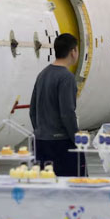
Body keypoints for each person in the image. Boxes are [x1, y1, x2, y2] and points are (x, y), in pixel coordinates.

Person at [30, 33, 83, 176]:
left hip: (41, 142)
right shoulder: (66, 77)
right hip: (61, 144)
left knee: (45, 184)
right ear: (73, 52)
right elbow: (67, 113)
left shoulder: (42, 74)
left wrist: (40, 131)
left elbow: (32, 110)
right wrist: (76, 138)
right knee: (68, 184)